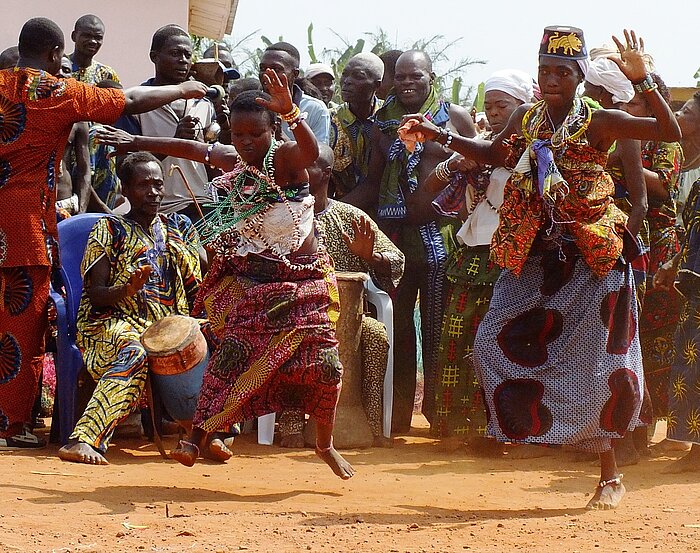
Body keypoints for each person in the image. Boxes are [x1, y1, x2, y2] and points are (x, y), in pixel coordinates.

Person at [400, 27, 681, 510]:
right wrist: (440, 135)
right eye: (545, 70)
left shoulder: (601, 122)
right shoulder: (529, 120)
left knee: (600, 366)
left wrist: (644, 82)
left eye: (563, 72)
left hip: (593, 256)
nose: (552, 79)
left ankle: (609, 473)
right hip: (535, 253)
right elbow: (493, 154)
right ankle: (543, 430)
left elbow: (670, 132)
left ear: (579, 77)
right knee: (491, 341)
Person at [97, 69, 355, 479]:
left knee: (326, 368)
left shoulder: (287, 159)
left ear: (272, 128)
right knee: (232, 354)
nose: (245, 142)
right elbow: (189, 147)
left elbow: (309, 149)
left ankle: (324, 444)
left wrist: (292, 113)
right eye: (237, 134)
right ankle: (196, 437)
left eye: (255, 133)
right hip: (252, 282)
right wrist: (136, 141)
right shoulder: (233, 161)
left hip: (303, 284)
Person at [0, 17, 207, 450]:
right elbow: (128, 99)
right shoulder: (56, 91)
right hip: (23, 229)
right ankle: (10, 425)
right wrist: (185, 90)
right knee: (21, 329)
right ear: (58, 55)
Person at [344, 50, 476, 432]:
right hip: (394, 238)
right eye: (399, 77)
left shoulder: (455, 119)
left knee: (441, 329)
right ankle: (397, 414)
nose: (406, 83)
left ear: (432, 76)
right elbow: (372, 183)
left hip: (443, 238)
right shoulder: (380, 124)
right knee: (397, 327)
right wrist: (330, 211)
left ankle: (440, 414)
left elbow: (479, 172)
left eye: (414, 76)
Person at [57, 152, 209, 465]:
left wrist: (197, 252)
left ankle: (208, 435)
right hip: (109, 322)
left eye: (157, 184)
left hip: (167, 325)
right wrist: (129, 289)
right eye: (143, 185)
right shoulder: (109, 230)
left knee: (224, 338)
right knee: (135, 350)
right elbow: (96, 295)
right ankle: (82, 439)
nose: (153, 192)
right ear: (125, 190)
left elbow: (199, 283)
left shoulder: (178, 226)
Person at [427, 70, 532, 452]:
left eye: (502, 105)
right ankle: (459, 428)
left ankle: (503, 429)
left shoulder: (537, 148)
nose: (494, 112)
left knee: (501, 345)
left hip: (513, 257)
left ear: (523, 106)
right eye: (488, 105)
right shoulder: (479, 144)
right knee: (458, 337)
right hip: (472, 254)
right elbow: (430, 188)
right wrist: (456, 165)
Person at [278, 144, 405, 447]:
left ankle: (371, 427)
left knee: (375, 334)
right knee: (290, 333)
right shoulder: (281, 216)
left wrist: (371, 256)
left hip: (349, 319)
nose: (297, 172)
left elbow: (396, 258)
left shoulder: (351, 217)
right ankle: (292, 425)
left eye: (306, 166)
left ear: (326, 174)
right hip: (296, 312)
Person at [624, 74, 684, 456]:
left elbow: (662, 187)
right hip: (625, 240)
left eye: (632, 105)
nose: (625, 111)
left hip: (659, 247)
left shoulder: (664, 142)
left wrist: (621, 156)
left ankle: (647, 431)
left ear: (649, 108)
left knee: (654, 340)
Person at [117, 25, 217, 221]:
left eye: (188, 55)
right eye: (175, 53)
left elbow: (212, 160)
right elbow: (124, 166)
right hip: (158, 210)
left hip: (202, 206)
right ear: (154, 56)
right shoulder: (136, 103)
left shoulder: (204, 103)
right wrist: (174, 143)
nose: (183, 61)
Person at [653, 178, 700, 473]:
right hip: (695, 289)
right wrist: (674, 263)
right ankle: (694, 448)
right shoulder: (697, 188)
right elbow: (691, 236)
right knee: (690, 364)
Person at [329, 52, 384, 199]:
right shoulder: (329, 120)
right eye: (345, 74)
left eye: (358, 76)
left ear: (377, 85)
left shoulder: (389, 119)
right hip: (339, 205)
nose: (347, 81)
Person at [259, 42, 330, 144]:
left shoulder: (315, 109)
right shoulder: (251, 104)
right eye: (262, 68)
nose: (267, 73)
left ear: (295, 74)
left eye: (277, 69)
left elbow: (319, 158)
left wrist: (284, 140)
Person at [56, 56, 91, 217]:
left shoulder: (77, 118)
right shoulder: (27, 111)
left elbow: (84, 170)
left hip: (65, 202)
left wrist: (81, 212)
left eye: (66, 70)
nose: (61, 74)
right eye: (57, 70)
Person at [69, 14, 120, 84]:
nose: (93, 41)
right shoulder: (59, 67)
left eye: (98, 37)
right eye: (87, 36)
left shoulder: (106, 74)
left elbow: (118, 94)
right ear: (74, 36)